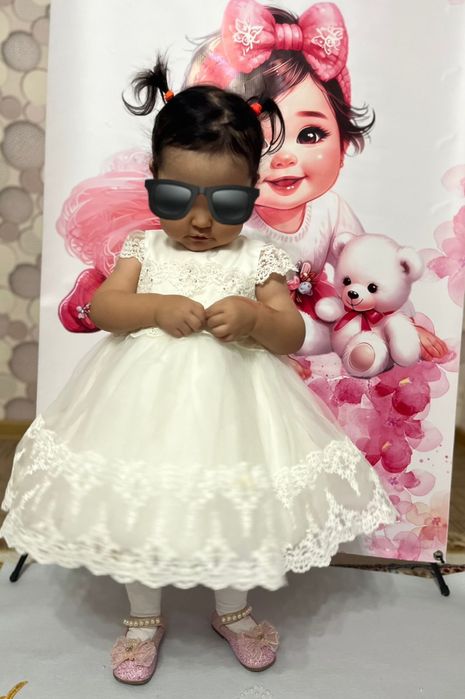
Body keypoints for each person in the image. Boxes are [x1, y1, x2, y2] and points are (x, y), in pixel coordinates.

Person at [0, 54, 396, 685]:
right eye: (176, 198)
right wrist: (154, 307)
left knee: (235, 504)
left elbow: (292, 331)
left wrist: (256, 317)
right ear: (153, 181)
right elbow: (105, 308)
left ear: (252, 190)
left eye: (228, 202)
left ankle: (232, 609)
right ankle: (142, 618)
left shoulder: (259, 256)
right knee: (140, 506)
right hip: (141, 408)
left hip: (236, 411)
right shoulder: (143, 247)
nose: (202, 221)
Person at [185, 0, 448, 367]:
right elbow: (204, 290)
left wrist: (401, 320)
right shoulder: (230, 216)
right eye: (257, 141)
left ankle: (374, 348)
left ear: (343, 145)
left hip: (319, 327)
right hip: (243, 336)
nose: (283, 158)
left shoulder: (330, 209)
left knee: (359, 335)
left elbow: (375, 267)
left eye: (310, 135)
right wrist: (262, 349)